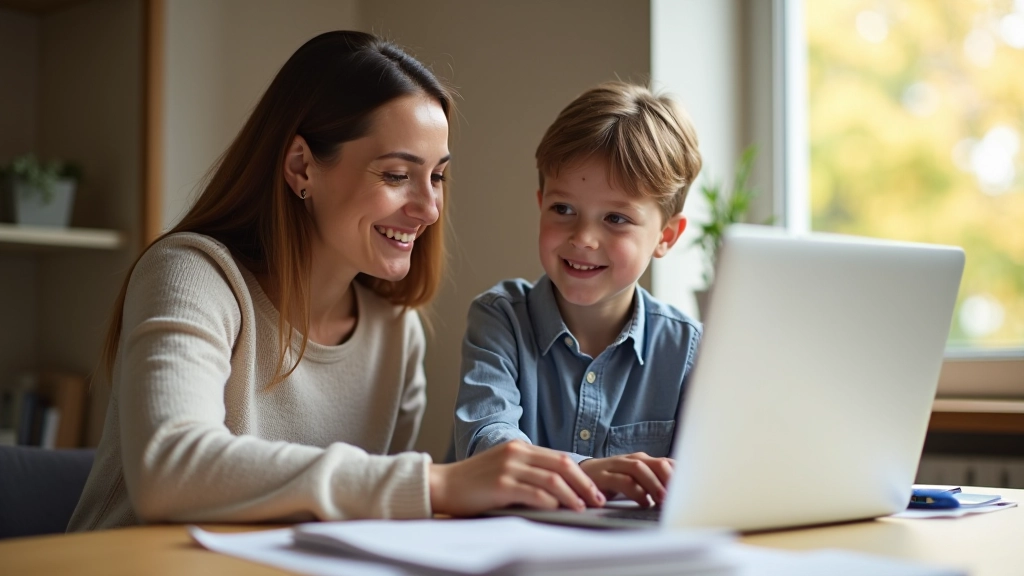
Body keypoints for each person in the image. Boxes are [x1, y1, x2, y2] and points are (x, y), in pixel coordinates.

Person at [68, 31, 605, 532]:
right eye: (397, 175)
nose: (429, 208)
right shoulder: (193, 274)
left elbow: (361, 524)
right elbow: (169, 469)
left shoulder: (397, 334)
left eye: (437, 176)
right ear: (302, 166)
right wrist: (436, 484)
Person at [453, 82, 703, 508]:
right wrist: (584, 472)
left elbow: (704, 481)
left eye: (616, 218)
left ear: (666, 236)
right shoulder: (501, 321)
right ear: (540, 203)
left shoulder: (689, 350)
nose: (584, 238)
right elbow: (486, 445)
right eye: (563, 209)